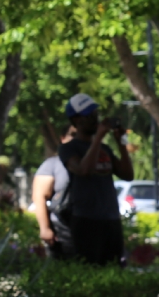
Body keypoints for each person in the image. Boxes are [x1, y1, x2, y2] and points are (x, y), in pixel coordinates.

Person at [57, 93, 133, 265]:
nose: (95, 118)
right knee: (90, 268)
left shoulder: (105, 148)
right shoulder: (69, 149)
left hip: (110, 218)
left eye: (95, 114)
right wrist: (98, 137)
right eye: (88, 115)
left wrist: (121, 143)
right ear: (76, 121)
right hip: (86, 220)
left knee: (114, 268)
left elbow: (128, 175)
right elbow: (84, 170)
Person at [32, 126, 75, 259]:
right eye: (73, 135)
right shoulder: (53, 164)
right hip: (62, 231)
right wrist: (45, 228)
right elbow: (39, 196)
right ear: (63, 138)